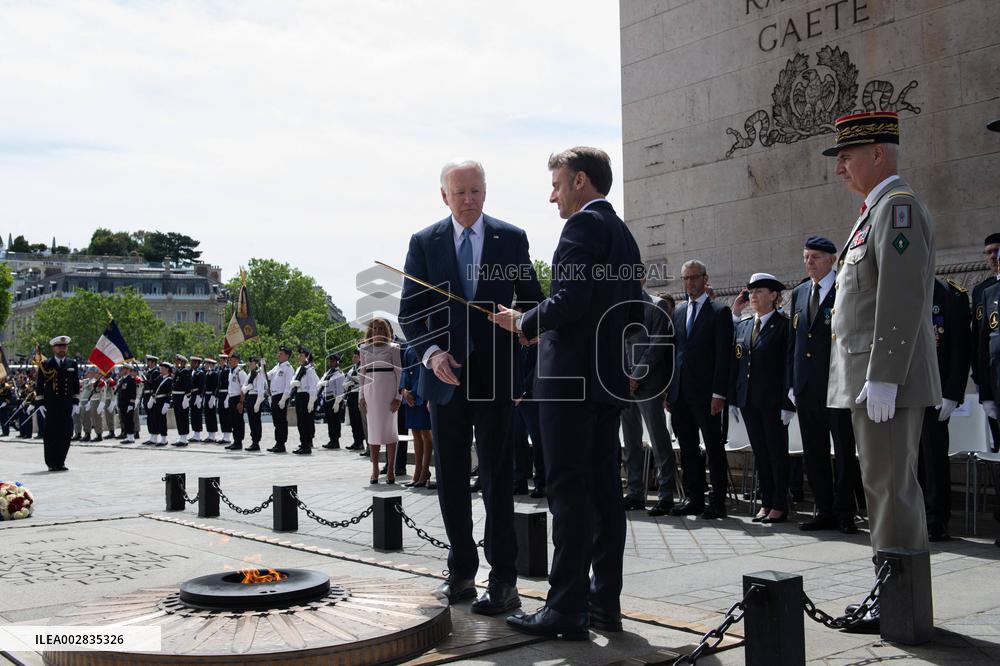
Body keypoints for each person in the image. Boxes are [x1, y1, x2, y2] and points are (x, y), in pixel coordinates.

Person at [494, 146, 641, 639]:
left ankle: (564, 607)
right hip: (604, 384)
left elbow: (571, 300)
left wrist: (524, 321)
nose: (551, 195)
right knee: (604, 495)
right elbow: (635, 314)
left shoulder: (581, 227)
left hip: (568, 384)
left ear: (581, 181)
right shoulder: (623, 233)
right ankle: (604, 606)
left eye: (557, 184)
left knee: (567, 493)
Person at [399, 158, 544, 617]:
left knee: (500, 479)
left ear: (486, 191)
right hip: (444, 380)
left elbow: (535, 302)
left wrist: (522, 323)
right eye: (459, 192)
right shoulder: (424, 242)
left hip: (497, 379)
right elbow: (409, 315)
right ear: (444, 195)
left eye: (475, 191)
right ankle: (461, 572)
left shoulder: (512, 238)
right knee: (453, 481)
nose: (468, 200)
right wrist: (431, 354)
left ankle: (504, 581)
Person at [825, 111, 940, 629]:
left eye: (847, 157)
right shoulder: (873, 212)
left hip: (885, 381)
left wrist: (886, 374)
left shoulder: (897, 209)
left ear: (879, 153)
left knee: (891, 489)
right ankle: (890, 594)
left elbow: (901, 294)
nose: (839, 168)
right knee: (881, 486)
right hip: (873, 379)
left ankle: (900, 604)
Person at [786, 236, 862, 534]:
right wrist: (793, 382)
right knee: (814, 452)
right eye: (806, 257)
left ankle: (846, 512)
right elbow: (795, 341)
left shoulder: (846, 288)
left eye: (815, 257)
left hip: (837, 385)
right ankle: (824, 509)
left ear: (832, 260)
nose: (809, 262)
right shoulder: (801, 292)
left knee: (844, 451)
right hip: (807, 387)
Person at [667, 259, 734, 519]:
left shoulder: (719, 311)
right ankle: (694, 498)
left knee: (714, 447)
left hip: (707, 395)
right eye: (685, 278)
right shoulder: (680, 312)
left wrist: (719, 393)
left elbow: (723, 355)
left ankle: (717, 502)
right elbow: (675, 352)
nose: (690, 283)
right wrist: (668, 390)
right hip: (681, 392)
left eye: (694, 277)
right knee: (688, 447)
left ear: (705, 279)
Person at [730, 273, 795, 523]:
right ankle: (766, 502)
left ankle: (780, 503)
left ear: (774, 295)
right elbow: (736, 361)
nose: (753, 296)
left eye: (759, 291)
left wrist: (788, 402)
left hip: (773, 402)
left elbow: (788, 365)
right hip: (750, 401)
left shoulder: (783, 325)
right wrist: (735, 396)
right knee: (761, 453)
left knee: (776, 453)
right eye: (751, 292)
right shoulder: (745, 325)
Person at [918, 278, 970, 542]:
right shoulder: (900, 289)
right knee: (910, 459)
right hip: (907, 390)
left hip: (936, 391)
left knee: (933, 457)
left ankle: (936, 520)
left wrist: (952, 393)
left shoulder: (952, 295)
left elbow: (961, 348)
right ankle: (914, 517)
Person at [621, 280, 677, 515]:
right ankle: (634, 492)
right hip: (622, 385)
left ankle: (665, 495)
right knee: (631, 441)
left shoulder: (657, 305)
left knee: (658, 439)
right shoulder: (617, 307)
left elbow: (657, 344)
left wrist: (637, 374)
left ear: (642, 279)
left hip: (649, 383)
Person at [359, 319, 402, 481]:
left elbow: (399, 372)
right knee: (374, 431)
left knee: (390, 431)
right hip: (371, 392)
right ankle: (375, 469)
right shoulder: (364, 348)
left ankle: (391, 469)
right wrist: (361, 396)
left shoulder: (394, 348)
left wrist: (398, 397)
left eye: (381, 329)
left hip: (389, 391)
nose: (378, 331)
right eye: (375, 328)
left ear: (386, 331)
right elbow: (362, 373)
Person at [31, 336, 80, 471]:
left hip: (66, 405)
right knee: (51, 434)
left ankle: (61, 461)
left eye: (64, 347)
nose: (62, 349)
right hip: (51, 405)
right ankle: (51, 463)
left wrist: (76, 401)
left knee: (66, 433)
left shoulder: (72, 363)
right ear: (54, 348)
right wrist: (40, 403)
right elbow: (40, 384)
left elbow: (75, 384)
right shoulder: (46, 364)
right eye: (59, 347)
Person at [398, 343, 432, 487]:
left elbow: (428, 370)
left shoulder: (430, 340)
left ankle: (424, 470)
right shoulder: (409, 346)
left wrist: (420, 392)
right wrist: (403, 390)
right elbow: (404, 370)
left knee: (425, 433)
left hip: (423, 393)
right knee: (416, 433)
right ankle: (417, 471)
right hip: (410, 393)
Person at [291, 346, 319, 455]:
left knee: (306, 422)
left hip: (306, 396)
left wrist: (311, 401)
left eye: (302, 355)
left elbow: (313, 386)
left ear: (307, 357)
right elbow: (293, 380)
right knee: (300, 423)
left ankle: (307, 445)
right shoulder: (299, 368)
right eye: (299, 355)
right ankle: (303, 443)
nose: (300, 357)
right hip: (299, 395)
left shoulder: (309, 369)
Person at [268, 346, 295, 453]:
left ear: (287, 356)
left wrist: (284, 399)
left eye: (281, 353)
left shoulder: (288, 368)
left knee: (281, 421)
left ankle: (281, 444)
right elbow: (267, 376)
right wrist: (261, 366)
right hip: (274, 396)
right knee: (276, 422)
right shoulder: (276, 367)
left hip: (281, 397)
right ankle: (277, 442)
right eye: (279, 353)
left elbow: (288, 386)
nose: (279, 355)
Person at [319, 352, 346, 449]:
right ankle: (331, 439)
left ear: (337, 362)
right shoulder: (329, 373)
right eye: (330, 360)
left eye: (333, 361)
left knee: (335, 421)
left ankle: (335, 441)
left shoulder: (339, 374)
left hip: (334, 399)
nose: (331, 362)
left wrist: (337, 403)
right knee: (330, 421)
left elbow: (339, 390)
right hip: (327, 398)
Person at [241, 356, 267, 451]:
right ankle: (253, 441)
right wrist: (246, 387)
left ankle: (256, 442)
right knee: (251, 421)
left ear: (256, 363)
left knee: (256, 421)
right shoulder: (250, 373)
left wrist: (257, 403)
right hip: (250, 397)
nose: (250, 364)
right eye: (250, 363)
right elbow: (245, 384)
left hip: (256, 397)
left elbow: (261, 390)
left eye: (252, 363)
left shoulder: (259, 374)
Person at [343, 349, 366, 451]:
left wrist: (355, 379)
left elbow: (363, 379)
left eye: (355, 356)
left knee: (358, 420)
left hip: (358, 394)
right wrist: (347, 384)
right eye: (353, 356)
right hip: (351, 395)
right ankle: (356, 440)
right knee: (353, 420)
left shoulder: (362, 367)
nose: (353, 358)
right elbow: (344, 382)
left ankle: (360, 442)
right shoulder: (351, 370)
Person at [225, 354, 248, 451]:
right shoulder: (231, 372)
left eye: (233, 360)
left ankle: (239, 442)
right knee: (233, 421)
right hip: (231, 398)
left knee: (238, 421)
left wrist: (241, 402)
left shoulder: (240, 372)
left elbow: (243, 388)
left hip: (238, 399)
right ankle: (235, 441)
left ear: (238, 361)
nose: (231, 362)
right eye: (230, 360)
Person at [171, 354, 192, 446]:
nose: (176, 363)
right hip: (176, 397)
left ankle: (184, 439)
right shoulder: (179, 371)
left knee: (183, 417)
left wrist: (187, 398)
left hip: (182, 397)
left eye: (178, 361)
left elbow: (188, 386)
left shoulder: (185, 372)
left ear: (182, 362)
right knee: (178, 417)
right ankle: (181, 437)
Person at [116, 364, 139, 444]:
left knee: (129, 420)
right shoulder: (123, 380)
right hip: (123, 404)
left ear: (127, 370)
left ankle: (131, 437)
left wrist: (131, 404)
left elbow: (133, 393)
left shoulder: (131, 380)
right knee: (125, 421)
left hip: (128, 404)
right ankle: (128, 436)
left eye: (123, 369)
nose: (121, 370)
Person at [188, 356, 205, 442]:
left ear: (197, 363)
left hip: (197, 395)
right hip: (192, 394)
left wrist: (199, 396)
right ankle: (195, 433)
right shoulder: (192, 372)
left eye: (193, 362)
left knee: (197, 415)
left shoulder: (200, 373)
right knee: (193, 414)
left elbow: (202, 386)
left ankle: (197, 434)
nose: (191, 364)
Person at [216, 353, 232, 445]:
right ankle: (224, 434)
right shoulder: (220, 370)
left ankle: (227, 436)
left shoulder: (227, 370)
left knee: (226, 415)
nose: (220, 361)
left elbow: (229, 384)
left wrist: (227, 397)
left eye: (222, 359)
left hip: (226, 393)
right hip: (221, 394)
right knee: (222, 415)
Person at [202, 358, 219, 442]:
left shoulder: (215, 374)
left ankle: (213, 435)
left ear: (211, 365)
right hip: (207, 395)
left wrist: (213, 396)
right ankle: (209, 434)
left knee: (211, 415)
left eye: (206, 364)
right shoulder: (207, 373)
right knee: (207, 415)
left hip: (211, 395)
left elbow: (215, 386)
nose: (205, 365)